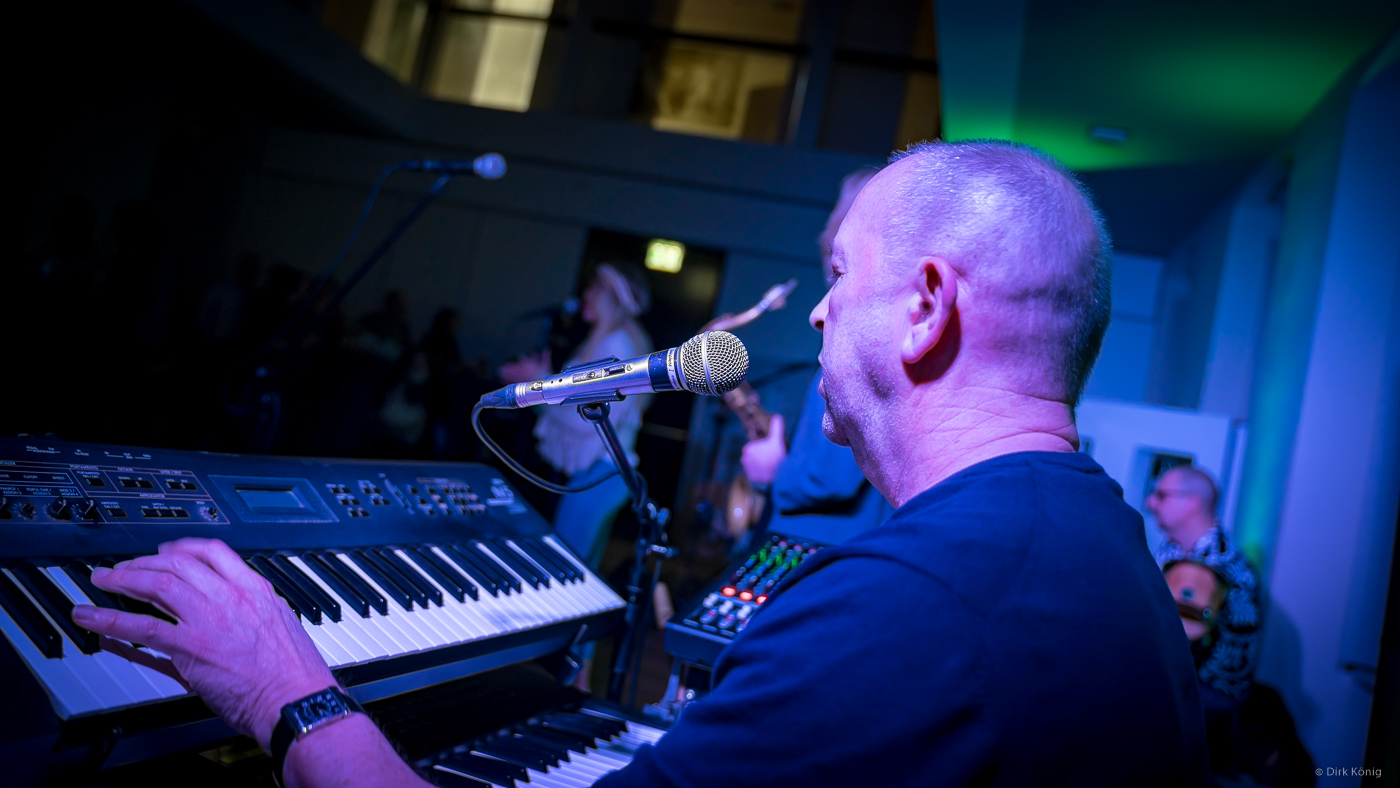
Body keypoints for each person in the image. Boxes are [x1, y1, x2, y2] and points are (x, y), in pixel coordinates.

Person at [72, 140, 1209, 787]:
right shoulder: (1106, 545)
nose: (818, 313)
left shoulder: (910, 604)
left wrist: (285, 687)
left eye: (839, 275)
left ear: (924, 307)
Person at [740, 169, 892, 545]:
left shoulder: (862, 334)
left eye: (835, 220)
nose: (823, 236)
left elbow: (830, 478)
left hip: (821, 543)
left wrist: (773, 472)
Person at [499, 262, 654, 570]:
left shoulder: (616, 346)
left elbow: (588, 419)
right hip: (600, 475)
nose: (586, 294)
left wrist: (537, 386)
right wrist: (540, 383)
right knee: (578, 570)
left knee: (564, 569)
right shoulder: (605, 340)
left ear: (612, 297)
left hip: (602, 475)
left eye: (595, 288)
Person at [1147, 464, 1260, 710]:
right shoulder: (1175, 548)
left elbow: (1175, 641)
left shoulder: (1215, 561)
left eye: (1161, 495)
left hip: (1205, 697)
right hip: (1182, 687)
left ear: (1191, 503)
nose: (1150, 503)